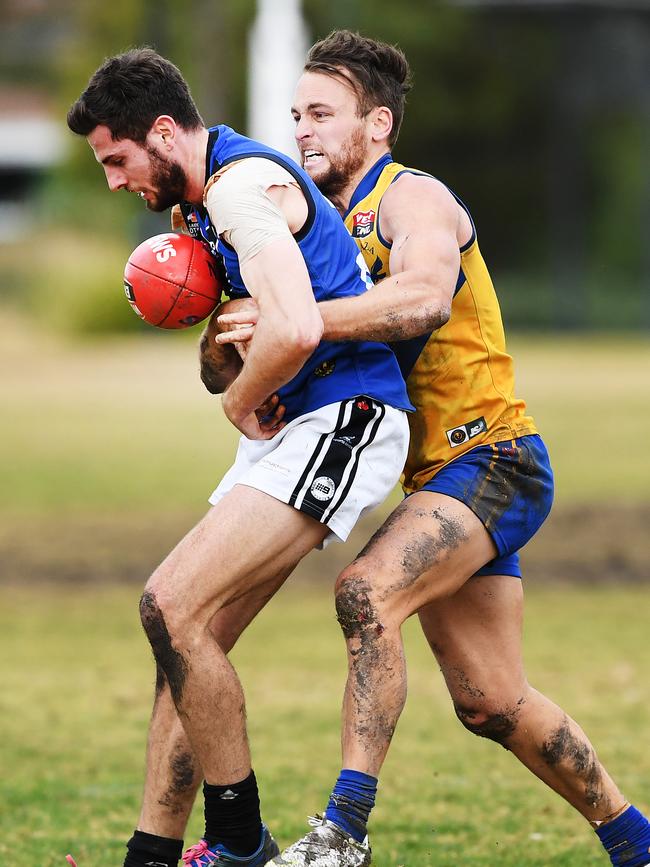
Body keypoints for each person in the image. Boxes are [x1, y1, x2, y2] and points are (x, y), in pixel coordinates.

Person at [213, 30, 650, 867]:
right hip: (439, 476)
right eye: (295, 113)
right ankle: (637, 843)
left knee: (365, 593)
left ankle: (343, 833)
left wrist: (290, 322)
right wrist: (218, 319)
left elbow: (415, 298)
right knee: (491, 700)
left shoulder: (414, 197)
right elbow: (250, 352)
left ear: (377, 124)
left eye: (322, 113)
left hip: (495, 457)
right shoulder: (313, 224)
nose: (301, 130)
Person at [65, 47, 414, 867]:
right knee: (186, 639)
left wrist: (233, 399)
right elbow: (254, 338)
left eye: (117, 160)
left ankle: (236, 841)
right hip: (299, 422)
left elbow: (294, 328)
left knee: (169, 604)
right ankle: (151, 855)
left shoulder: (238, 189)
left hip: (346, 412)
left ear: (161, 133)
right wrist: (223, 361)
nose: (116, 181)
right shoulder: (203, 207)